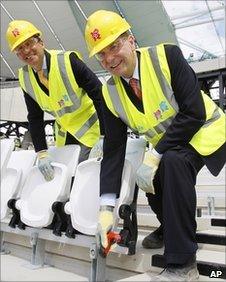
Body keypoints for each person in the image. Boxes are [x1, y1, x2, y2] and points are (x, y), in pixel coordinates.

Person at [84, 10, 226, 281]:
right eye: (101, 54)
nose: (109, 58)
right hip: (171, 144)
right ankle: (170, 226)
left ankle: (183, 265)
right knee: (148, 177)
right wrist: (105, 209)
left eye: (114, 46)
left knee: (170, 162)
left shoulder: (166, 57)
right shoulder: (108, 92)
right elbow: (114, 149)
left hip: (207, 132)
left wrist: (156, 154)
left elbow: (194, 111)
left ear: (131, 40)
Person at [6, 20, 104, 181]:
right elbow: (35, 117)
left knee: (84, 180)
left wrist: (104, 136)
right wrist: (42, 152)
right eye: (20, 49)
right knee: (62, 180)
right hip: (65, 137)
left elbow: (100, 95)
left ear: (41, 42)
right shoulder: (25, 77)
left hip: (92, 131)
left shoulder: (68, 61)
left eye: (29, 43)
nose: (26, 51)